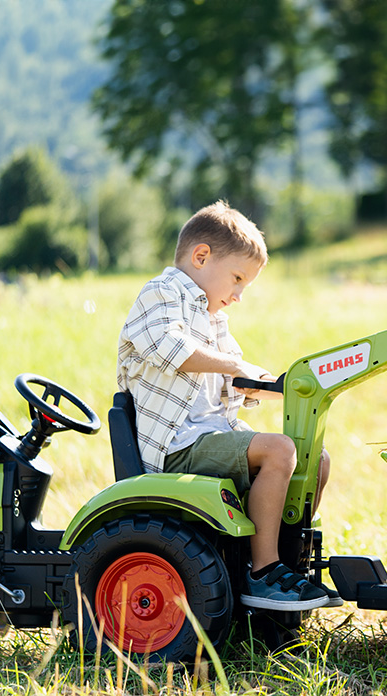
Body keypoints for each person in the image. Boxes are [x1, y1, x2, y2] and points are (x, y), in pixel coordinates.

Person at [118, 200, 336, 611]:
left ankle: (289, 563)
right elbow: (169, 348)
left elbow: (237, 382)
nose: (237, 296)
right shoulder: (162, 293)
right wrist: (235, 365)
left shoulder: (213, 318)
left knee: (314, 458)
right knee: (280, 450)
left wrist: (289, 386)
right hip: (175, 449)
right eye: (237, 280)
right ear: (201, 257)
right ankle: (263, 571)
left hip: (210, 439)